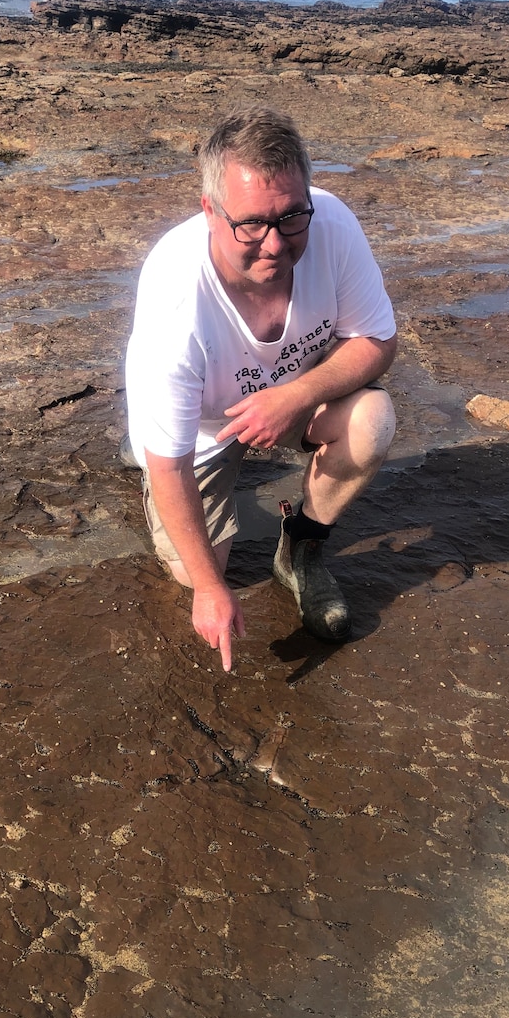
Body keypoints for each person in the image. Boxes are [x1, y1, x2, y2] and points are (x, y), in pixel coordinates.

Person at [124, 106, 397, 672]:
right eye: (251, 223)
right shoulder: (176, 301)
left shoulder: (333, 225)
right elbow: (171, 464)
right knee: (199, 569)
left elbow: (377, 341)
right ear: (209, 211)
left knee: (373, 420)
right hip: (205, 427)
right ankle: (153, 459)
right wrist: (208, 590)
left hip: (293, 393)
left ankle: (300, 547)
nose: (275, 243)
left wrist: (294, 397)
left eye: (293, 217)